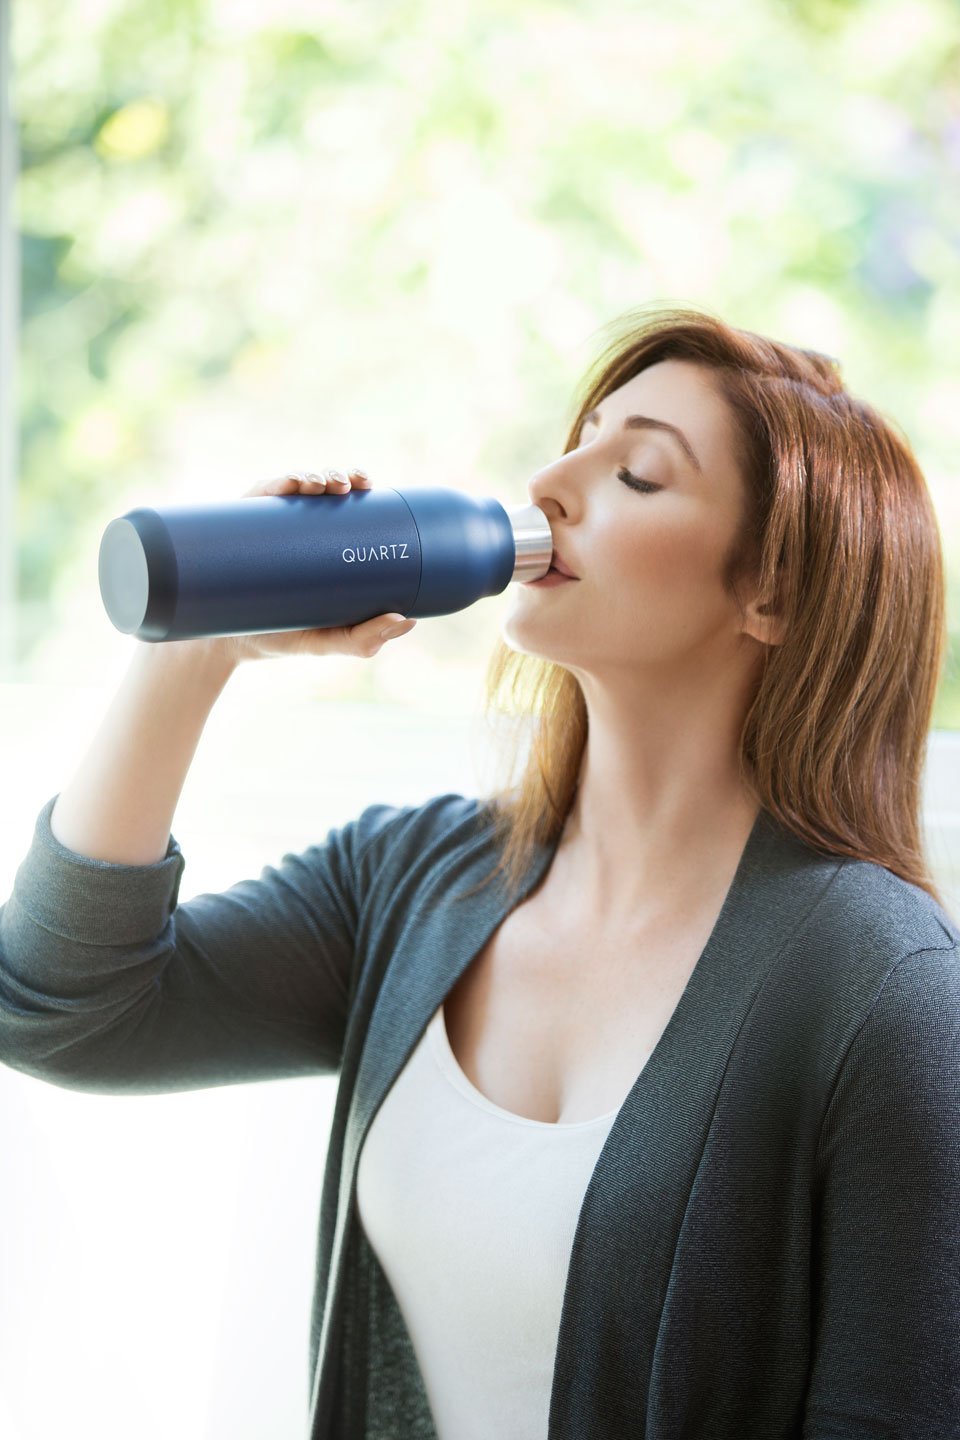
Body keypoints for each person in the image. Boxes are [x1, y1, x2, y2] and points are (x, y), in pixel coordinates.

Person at [0, 304, 958, 1440]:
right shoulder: (417, 878)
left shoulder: (883, 992)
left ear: (775, 594)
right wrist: (197, 648)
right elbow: (65, 1007)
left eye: (638, 473)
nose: (553, 481)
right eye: (578, 438)